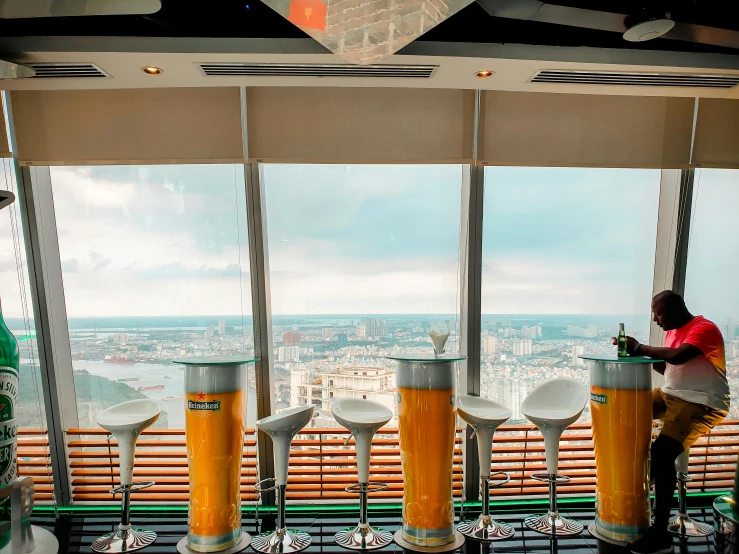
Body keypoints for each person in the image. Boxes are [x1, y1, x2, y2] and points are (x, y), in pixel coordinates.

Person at [612, 290, 729, 554]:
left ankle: (659, 532)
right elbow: (671, 370)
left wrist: (639, 347)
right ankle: (639, 478)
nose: (655, 319)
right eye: (654, 314)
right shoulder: (672, 331)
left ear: (678, 308)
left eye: (659, 313)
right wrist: (639, 355)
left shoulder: (704, 328)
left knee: (662, 455)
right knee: (623, 410)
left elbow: (678, 357)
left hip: (702, 402)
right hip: (671, 395)